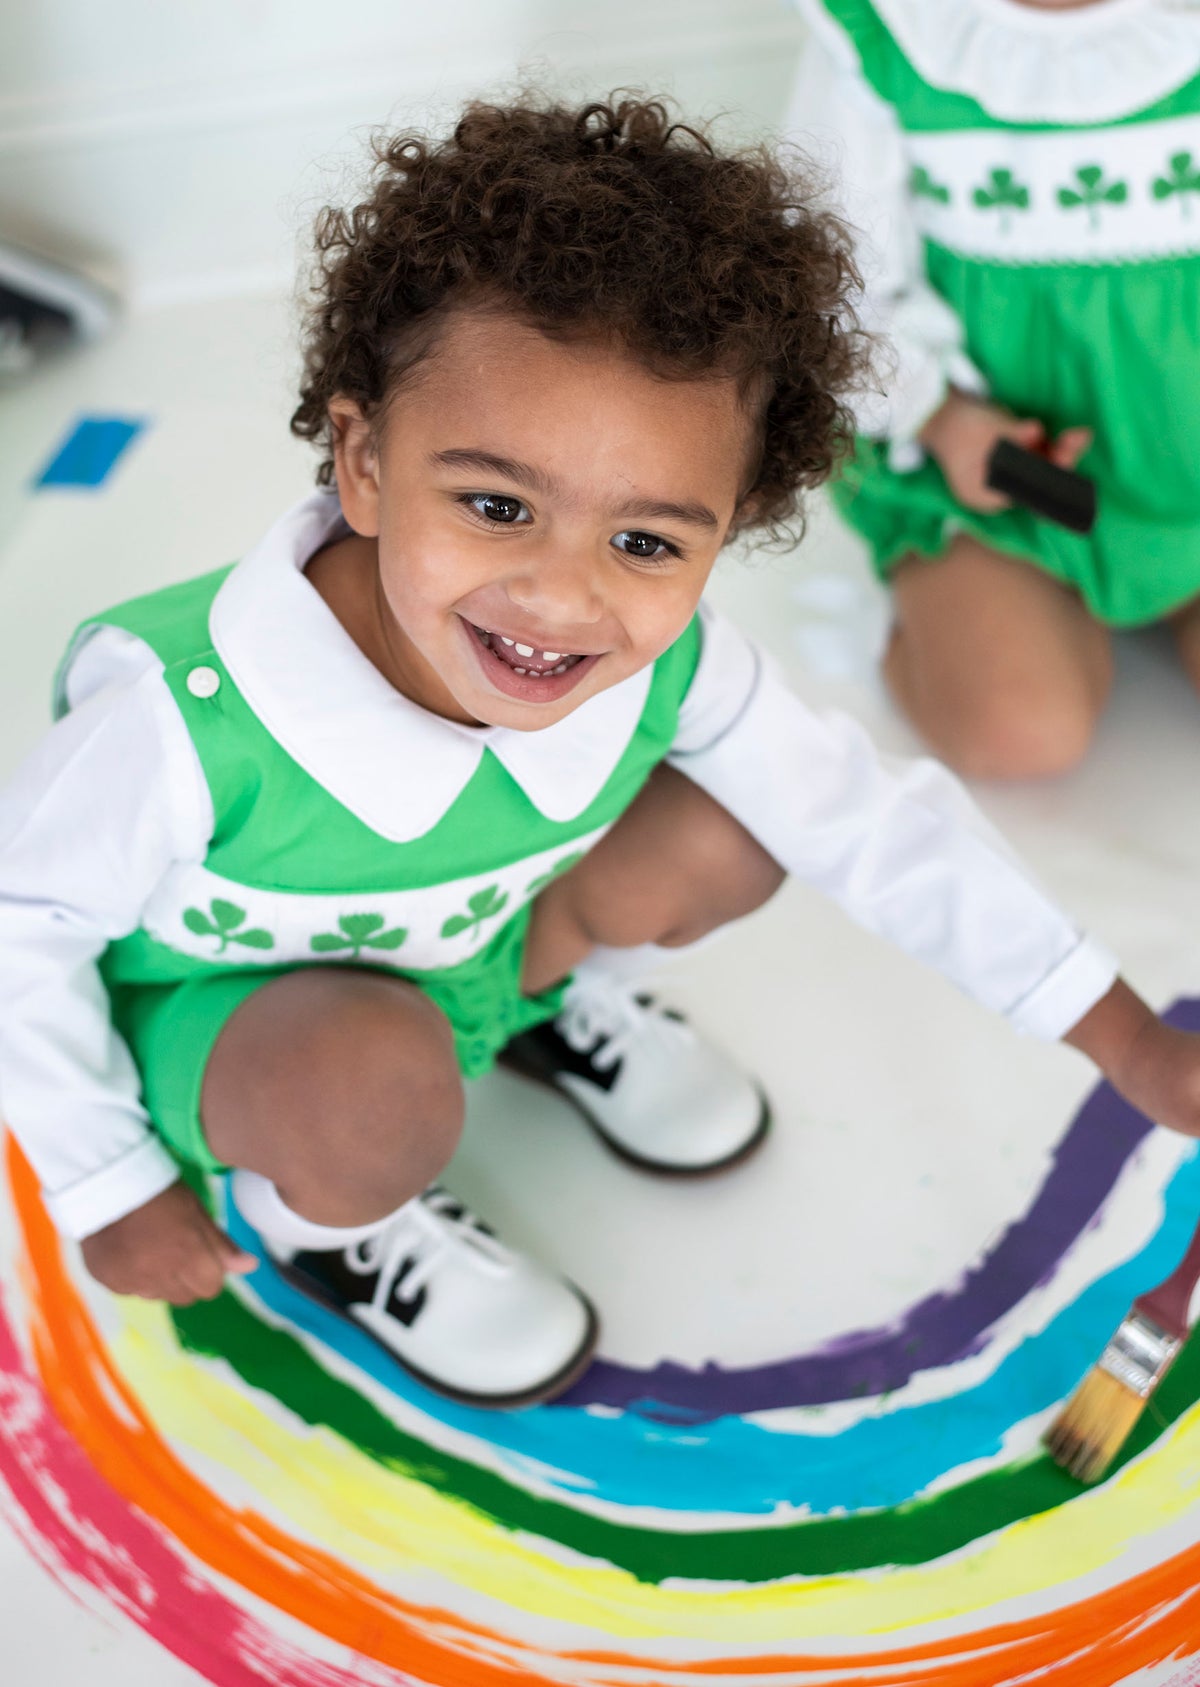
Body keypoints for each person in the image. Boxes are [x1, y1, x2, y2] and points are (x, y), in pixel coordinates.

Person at [1, 94, 1198, 1412]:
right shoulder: (184, 715)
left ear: (728, 525)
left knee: (743, 826)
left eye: (645, 541)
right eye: (496, 503)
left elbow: (868, 821)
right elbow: (21, 923)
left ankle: (539, 1010)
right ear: (362, 461)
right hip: (249, 1019)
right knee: (369, 1096)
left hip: (481, 941)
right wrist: (107, 1178)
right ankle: (333, 1220)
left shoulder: (672, 661)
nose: (561, 598)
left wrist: (1130, 1039)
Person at [789, 0, 1200, 778]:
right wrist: (942, 418)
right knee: (1016, 731)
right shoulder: (889, 36)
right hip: (1002, 480)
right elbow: (832, 283)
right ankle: (954, 604)